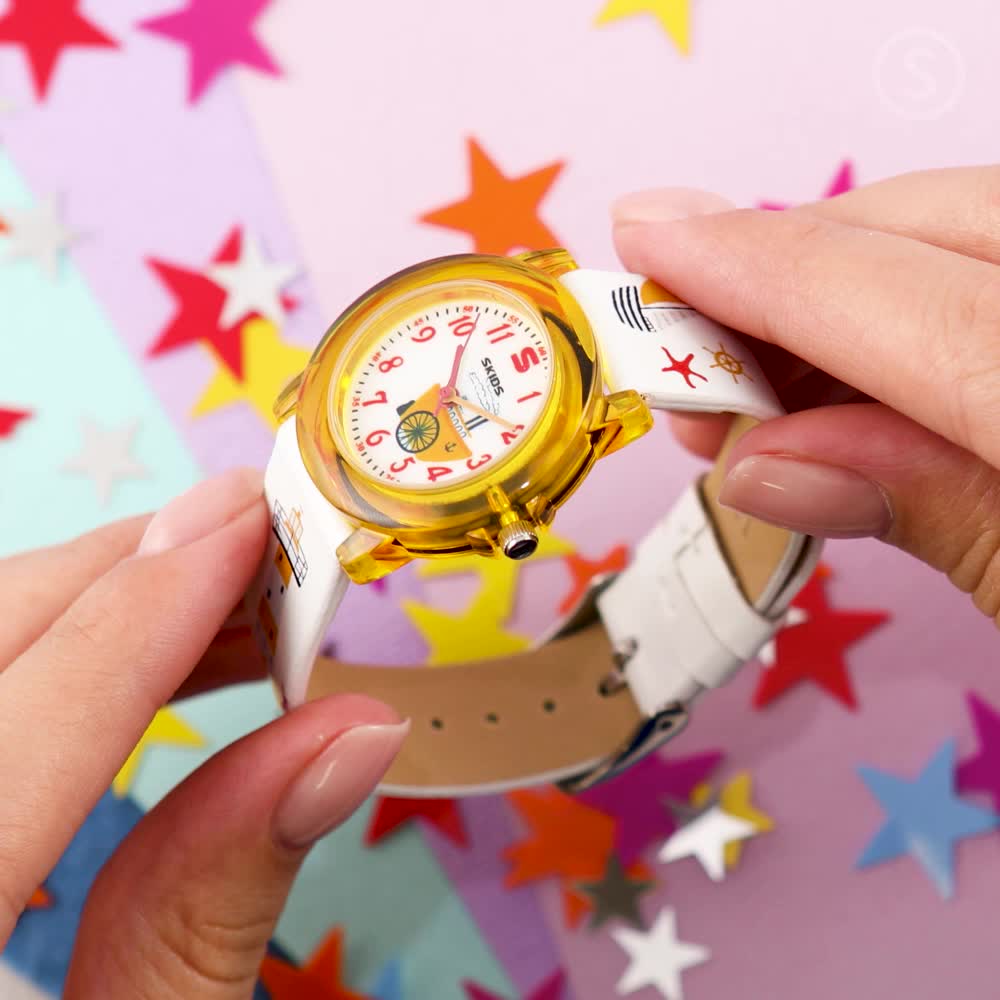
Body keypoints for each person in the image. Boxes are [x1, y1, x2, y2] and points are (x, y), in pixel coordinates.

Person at [1, 164, 996, 996]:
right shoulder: (351, 463)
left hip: (558, 342)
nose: (437, 406)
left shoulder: (568, 339)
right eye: (427, 409)